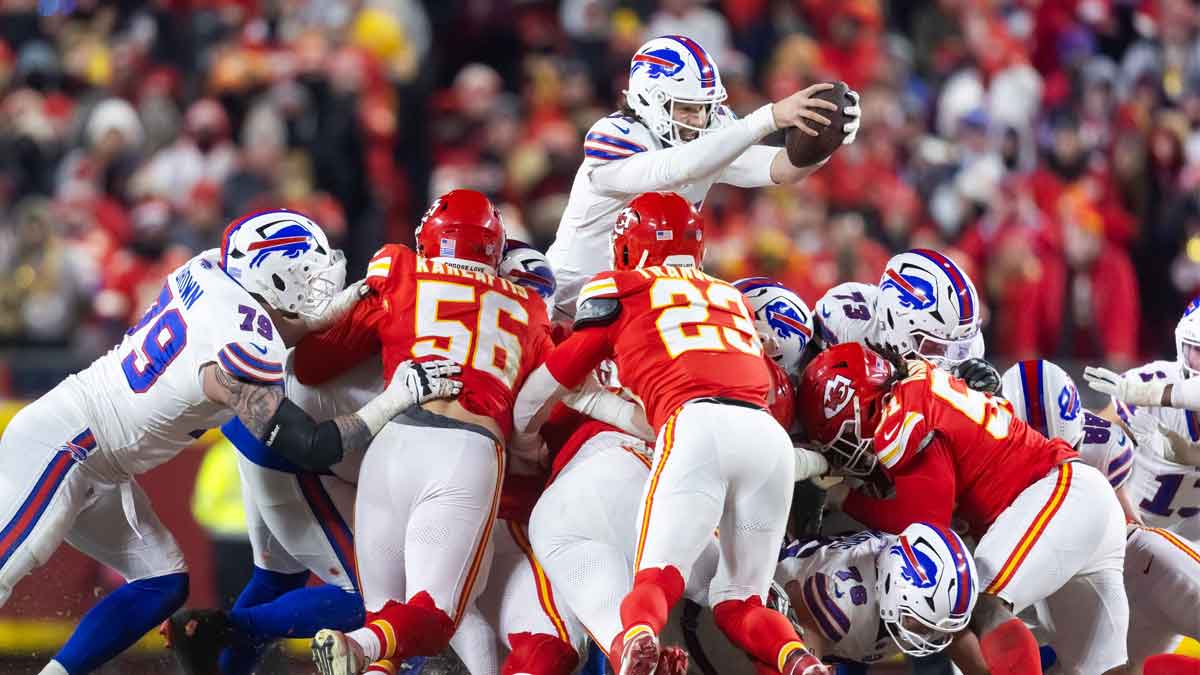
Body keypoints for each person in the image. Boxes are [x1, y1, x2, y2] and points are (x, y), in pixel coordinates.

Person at [0, 209, 460, 675]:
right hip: (68, 443)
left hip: (103, 459)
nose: (315, 284)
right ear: (271, 276)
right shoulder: (241, 346)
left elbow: (262, 328)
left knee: (163, 582)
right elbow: (313, 446)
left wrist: (333, 310)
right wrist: (396, 398)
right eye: (304, 275)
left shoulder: (210, 269)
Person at [291, 191, 636, 675]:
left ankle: (366, 650)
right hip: (464, 451)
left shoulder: (400, 268)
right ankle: (359, 647)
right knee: (431, 621)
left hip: (390, 443)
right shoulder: (532, 311)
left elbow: (308, 365)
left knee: (388, 619)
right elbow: (541, 409)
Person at [514, 192, 832, 675]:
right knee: (739, 602)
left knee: (653, 576)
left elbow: (551, 380)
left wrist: (526, 432)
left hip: (688, 433)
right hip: (766, 440)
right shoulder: (732, 300)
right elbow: (763, 391)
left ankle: (636, 638)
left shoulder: (623, 289)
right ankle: (799, 661)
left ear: (627, 248)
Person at [797, 343, 1129, 675]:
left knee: (972, 601)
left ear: (858, 407)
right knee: (1100, 669)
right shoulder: (920, 384)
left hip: (1059, 492)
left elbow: (926, 524)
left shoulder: (903, 413)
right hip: (1076, 502)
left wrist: (846, 499)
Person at [546, 34, 860, 322]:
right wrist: (769, 117)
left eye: (704, 109)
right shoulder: (614, 135)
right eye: (685, 108)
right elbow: (676, 169)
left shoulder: (704, 138)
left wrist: (828, 139)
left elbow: (782, 168)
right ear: (648, 99)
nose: (697, 120)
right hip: (569, 308)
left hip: (642, 309)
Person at [1002, 359, 1200, 674]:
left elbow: (1132, 532)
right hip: (1061, 588)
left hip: (1136, 561)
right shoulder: (982, 471)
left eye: (1067, 449)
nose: (1054, 460)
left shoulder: (1104, 447)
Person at [775, 523, 978, 667]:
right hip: (779, 581)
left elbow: (952, 629)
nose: (928, 633)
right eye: (923, 623)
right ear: (896, 586)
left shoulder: (898, 560)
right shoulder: (839, 601)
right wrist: (812, 664)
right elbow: (794, 594)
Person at [1083, 296, 1200, 543]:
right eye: (1199, 350)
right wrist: (1116, 501)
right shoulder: (1153, 384)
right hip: (1124, 535)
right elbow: (1089, 445)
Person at [815, 249, 1000, 394]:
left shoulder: (965, 338)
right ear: (894, 322)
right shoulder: (848, 323)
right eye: (934, 347)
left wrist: (986, 400)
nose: (950, 362)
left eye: (957, 348)